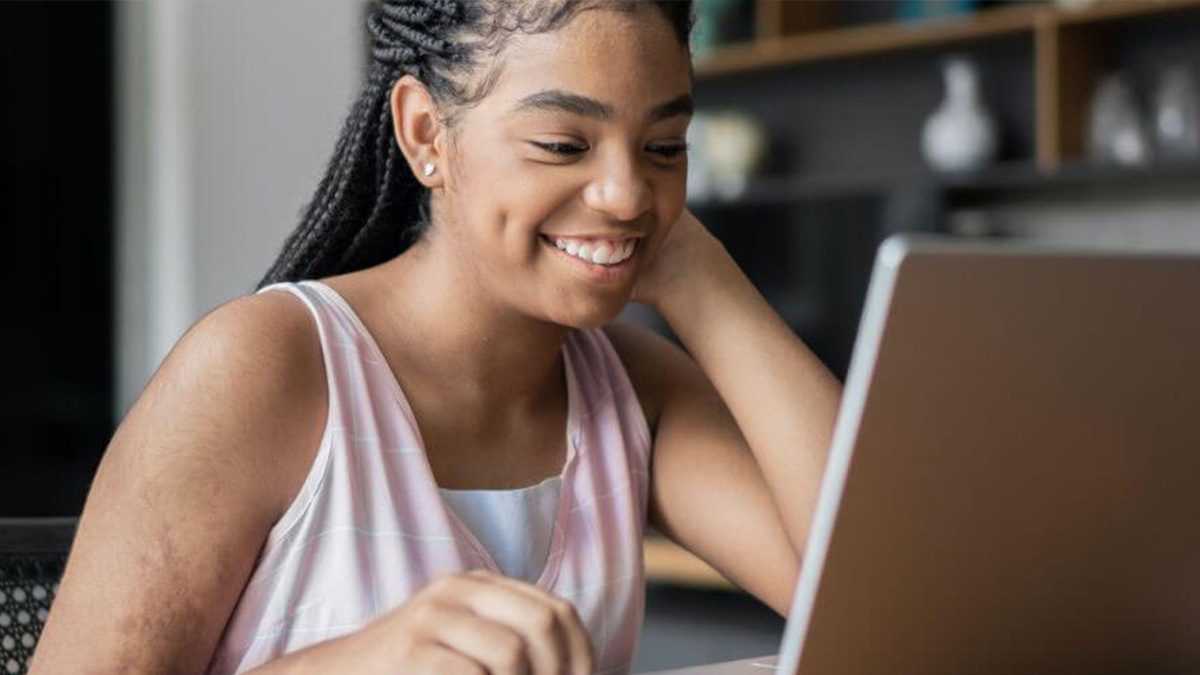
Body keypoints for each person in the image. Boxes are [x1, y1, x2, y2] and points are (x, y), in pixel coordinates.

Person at [30, 1, 841, 673]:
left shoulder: (631, 390)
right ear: (425, 135)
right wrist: (364, 660)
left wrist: (704, 276)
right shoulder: (265, 367)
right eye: (564, 144)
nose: (627, 192)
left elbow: (881, 597)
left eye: (665, 147)